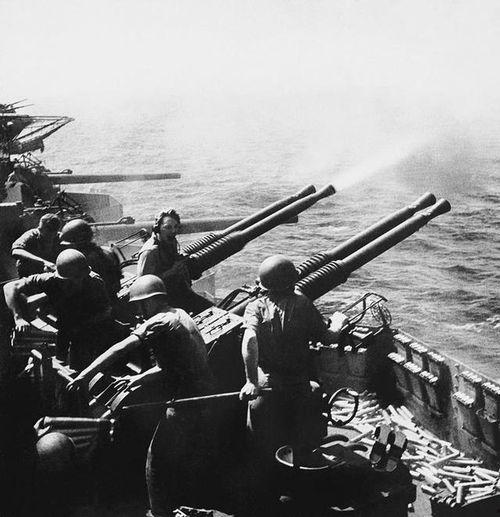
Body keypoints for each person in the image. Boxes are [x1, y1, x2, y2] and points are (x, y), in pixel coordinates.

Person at [67, 275, 217, 516]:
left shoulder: (158, 321)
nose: (138, 311)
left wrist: (85, 375)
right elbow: (169, 366)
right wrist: (137, 379)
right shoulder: (180, 314)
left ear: (150, 301)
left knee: (155, 459)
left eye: (139, 305)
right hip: (203, 394)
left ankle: (159, 512)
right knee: (183, 454)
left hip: (185, 400)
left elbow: (120, 348)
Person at [239, 255, 348, 469]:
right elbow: (328, 337)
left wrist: (251, 381)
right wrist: (338, 324)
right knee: (310, 412)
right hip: (298, 387)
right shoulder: (303, 304)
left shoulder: (254, 307)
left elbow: (250, 339)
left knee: (260, 445)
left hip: (266, 390)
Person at [3, 249, 114, 371]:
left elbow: (106, 312)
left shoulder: (95, 283)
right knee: (60, 359)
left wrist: (81, 327)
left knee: (81, 366)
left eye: (80, 277)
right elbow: (9, 287)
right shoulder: (50, 280)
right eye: (70, 281)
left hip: (90, 328)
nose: (77, 282)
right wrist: (18, 318)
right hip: (64, 326)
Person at [137, 209, 212, 315]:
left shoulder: (170, 241)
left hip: (178, 293)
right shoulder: (150, 252)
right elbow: (143, 288)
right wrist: (172, 271)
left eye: (176, 227)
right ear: (157, 229)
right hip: (161, 304)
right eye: (168, 227)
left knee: (212, 309)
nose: (173, 231)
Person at [59, 219, 122, 304]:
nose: (68, 248)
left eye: (70, 245)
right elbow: (117, 278)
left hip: (93, 305)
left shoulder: (81, 260)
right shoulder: (108, 251)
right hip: (112, 298)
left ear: (79, 242)